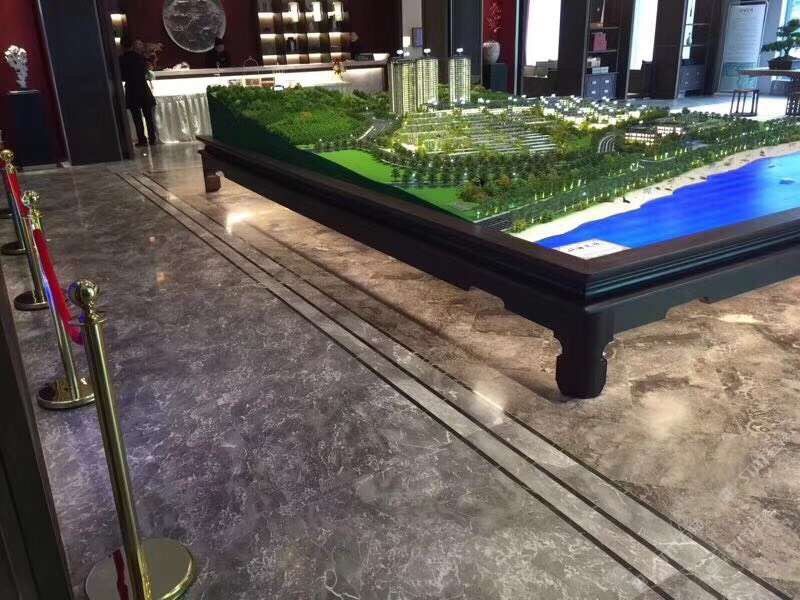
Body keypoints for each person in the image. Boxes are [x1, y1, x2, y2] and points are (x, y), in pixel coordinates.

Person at [119, 39, 158, 147]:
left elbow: (122, 76)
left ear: (122, 47)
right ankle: (152, 139)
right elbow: (146, 71)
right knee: (149, 117)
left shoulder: (121, 59)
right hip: (143, 88)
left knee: (137, 118)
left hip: (132, 90)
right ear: (132, 46)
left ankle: (142, 140)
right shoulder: (141, 58)